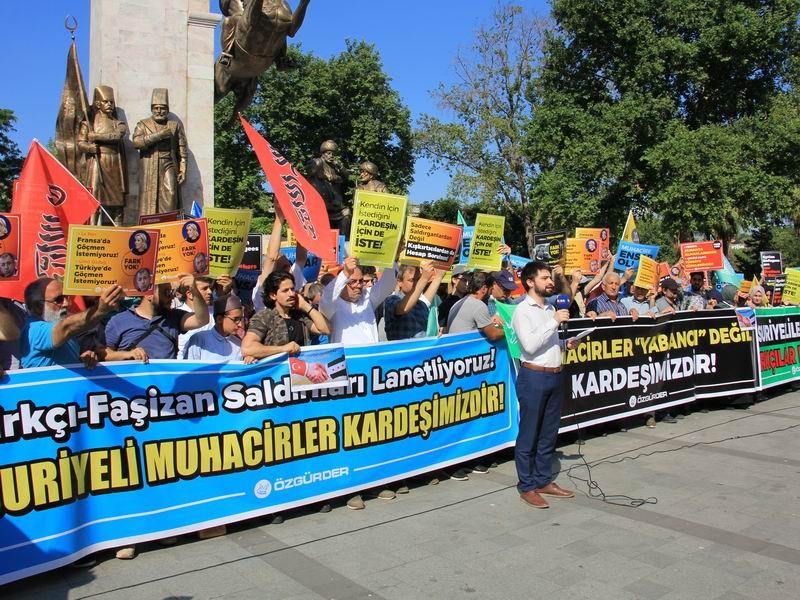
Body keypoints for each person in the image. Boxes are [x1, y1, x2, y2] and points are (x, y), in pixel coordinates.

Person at [511, 261, 578, 509]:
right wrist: (554, 322)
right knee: (530, 433)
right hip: (534, 377)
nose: (551, 282)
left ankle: (543, 480)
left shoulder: (550, 306)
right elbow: (528, 346)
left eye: (550, 277)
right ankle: (527, 485)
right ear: (530, 282)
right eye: (545, 278)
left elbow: (546, 343)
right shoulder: (523, 311)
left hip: (555, 374)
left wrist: (564, 344)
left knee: (549, 432)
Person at [215, 0, 311, 114]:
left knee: (281, 27)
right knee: (229, 21)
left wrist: (303, 4)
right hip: (240, 5)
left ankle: (282, 59)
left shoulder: (284, 5)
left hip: (262, 58)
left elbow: (291, 31)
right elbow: (250, 19)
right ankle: (228, 53)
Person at [20, 278, 124, 369]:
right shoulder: (34, 329)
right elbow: (67, 327)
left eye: (67, 297)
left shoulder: (56, 324)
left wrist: (82, 359)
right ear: (38, 307)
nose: (66, 303)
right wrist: (100, 310)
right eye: (58, 300)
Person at [242, 271, 330, 360]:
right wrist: (283, 349)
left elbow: (326, 329)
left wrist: (305, 305)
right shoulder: (264, 317)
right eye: (285, 291)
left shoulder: (299, 315)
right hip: (277, 371)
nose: (291, 294)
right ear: (273, 295)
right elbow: (247, 348)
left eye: (292, 289)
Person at [77, 85, 128, 226]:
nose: (110, 105)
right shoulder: (89, 123)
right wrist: (89, 147)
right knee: (95, 198)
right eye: (106, 102)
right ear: (98, 104)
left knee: (117, 201)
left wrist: (96, 136)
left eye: (111, 102)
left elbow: (117, 136)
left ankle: (118, 231)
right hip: (97, 161)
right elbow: (80, 143)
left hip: (114, 163)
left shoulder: (118, 123)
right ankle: (92, 230)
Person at [320, 255, 398, 345]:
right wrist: (345, 273)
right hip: (348, 358)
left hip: (372, 356)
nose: (358, 285)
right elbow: (327, 296)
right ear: (343, 283)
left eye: (360, 281)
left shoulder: (367, 297)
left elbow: (388, 285)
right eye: (353, 282)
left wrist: (394, 258)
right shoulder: (332, 304)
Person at [133, 88, 188, 216]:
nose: (159, 111)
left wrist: (183, 169)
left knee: (171, 194)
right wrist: (159, 135)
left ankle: (168, 225)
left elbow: (182, 148)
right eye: (156, 108)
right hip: (149, 164)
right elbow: (137, 142)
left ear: (167, 109)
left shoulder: (175, 125)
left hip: (168, 163)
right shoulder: (143, 124)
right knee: (149, 198)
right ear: (152, 109)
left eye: (162, 108)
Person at [185, 294, 254, 364]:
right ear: (219, 319)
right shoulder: (199, 340)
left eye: (241, 319)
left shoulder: (238, 344)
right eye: (235, 319)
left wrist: (248, 360)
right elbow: (189, 369)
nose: (240, 324)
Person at [383, 261, 444, 341]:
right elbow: (403, 308)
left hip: (422, 351)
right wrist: (424, 278)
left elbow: (428, 296)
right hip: (403, 352)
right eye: (412, 280)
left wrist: (439, 275)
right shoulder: (391, 299)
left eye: (418, 279)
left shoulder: (420, 303)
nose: (416, 284)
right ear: (399, 282)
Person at [306, 140, 351, 236]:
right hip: (322, 205)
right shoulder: (318, 162)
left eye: (333, 153)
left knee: (346, 214)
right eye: (328, 153)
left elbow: (348, 176)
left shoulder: (335, 166)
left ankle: (343, 245)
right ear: (323, 154)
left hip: (336, 204)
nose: (331, 155)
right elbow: (309, 170)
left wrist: (340, 168)